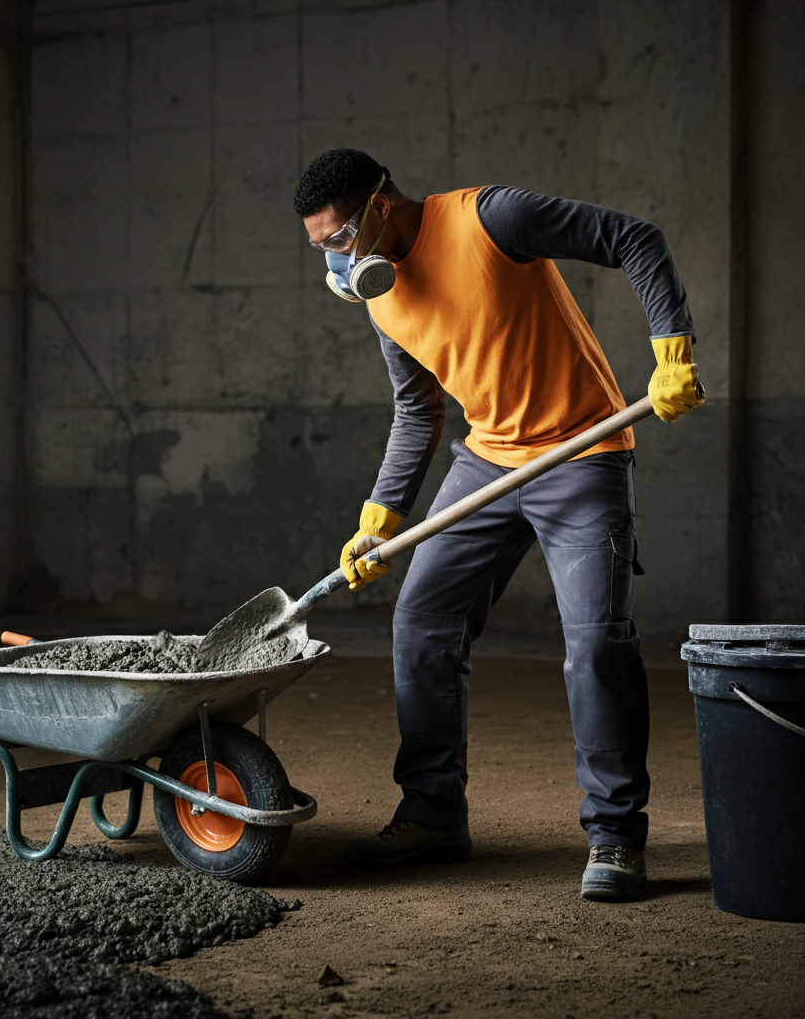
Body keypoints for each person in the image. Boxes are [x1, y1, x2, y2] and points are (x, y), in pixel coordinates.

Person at [292, 148, 705, 899]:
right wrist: (379, 518)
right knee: (421, 619)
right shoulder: (377, 294)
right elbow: (419, 408)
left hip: (582, 454)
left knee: (595, 641)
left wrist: (671, 344)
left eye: (340, 239)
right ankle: (434, 814)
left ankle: (615, 838)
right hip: (487, 464)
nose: (337, 260)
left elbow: (635, 239)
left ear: (380, 205)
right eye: (321, 247)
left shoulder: (492, 217)